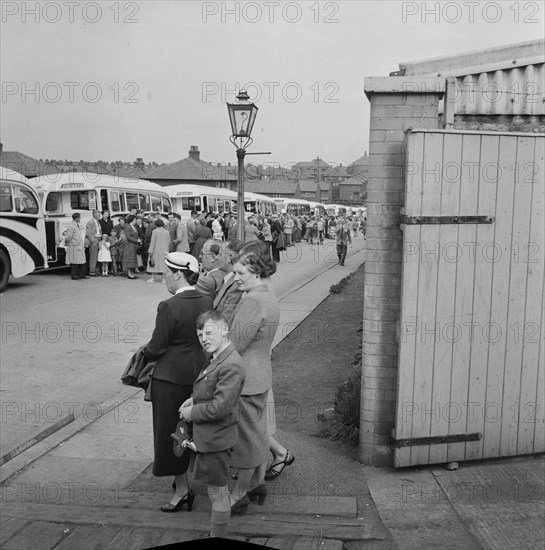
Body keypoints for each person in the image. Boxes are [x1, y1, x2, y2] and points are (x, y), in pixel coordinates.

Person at [143, 252, 211, 513]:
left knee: (171, 433)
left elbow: (157, 347)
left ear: (177, 273)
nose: (164, 279)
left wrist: (143, 353)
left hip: (169, 380)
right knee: (190, 431)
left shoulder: (168, 306)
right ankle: (188, 481)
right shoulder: (206, 301)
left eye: (166, 273)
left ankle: (182, 490)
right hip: (198, 376)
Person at [178, 311, 245, 539]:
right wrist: (194, 399)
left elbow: (220, 408)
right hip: (210, 437)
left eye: (208, 332)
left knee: (218, 493)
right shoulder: (217, 357)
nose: (204, 338)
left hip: (217, 440)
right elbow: (210, 391)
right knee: (215, 490)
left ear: (224, 329)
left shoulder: (231, 363)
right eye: (199, 335)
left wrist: (192, 412)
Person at [227, 249, 280, 515]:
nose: (235, 277)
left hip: (244, 379)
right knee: (257, 435)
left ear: (256, 272)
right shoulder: (267, 296)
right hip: (260, 375)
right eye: (234, 272)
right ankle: (258, 484)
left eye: (240, 273)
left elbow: (234, 344)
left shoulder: (252, 302)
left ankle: (239, 494)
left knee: (245, 442)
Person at [213, 240, 244, 328]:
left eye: (220, 254)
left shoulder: (237, 285)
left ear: (229, 257)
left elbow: (225, 321)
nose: (216, 258)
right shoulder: (227, 279)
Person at [64, 213, 89, 280]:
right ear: (77, 218)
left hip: (79, 246)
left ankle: (81, 274)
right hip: (74, 246)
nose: (80, 219)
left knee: (81, 261)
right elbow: (68, 236)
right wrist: (67, 243)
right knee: (74, 261)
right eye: (79, 217)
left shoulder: (76, 225)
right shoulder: (71, 226)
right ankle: (74, 275)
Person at [147, 218, 170, 283]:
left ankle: (152, 278)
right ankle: (163, 279)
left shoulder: (155, 231)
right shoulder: (167, 232)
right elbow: (168, 241)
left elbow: (152, 242)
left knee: (153, 263)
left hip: (156, 250)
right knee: (163, 264)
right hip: (164, 250)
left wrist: (150, 251)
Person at [123, 214, 141, 279]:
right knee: (129, 259)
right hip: (129, 245)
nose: (136, 220)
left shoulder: (133, 226)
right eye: (135, 219)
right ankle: (129, 274)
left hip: (133, 245)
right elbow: (128, 237)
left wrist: (138, 240)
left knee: (132, 259)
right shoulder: (127, 226)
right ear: (132, 220)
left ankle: (131, 273)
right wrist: (137, 240)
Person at [85, 209, 102, 276]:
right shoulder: (90, 222)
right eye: (98, 215)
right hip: (94, 240)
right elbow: (88, 234)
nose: (99, 216)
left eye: (99, 214)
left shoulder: (97, 222)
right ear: (94, 215)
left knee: (98, 257)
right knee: (93, 257)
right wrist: (94, 241)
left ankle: (96, 270)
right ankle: (92, 272)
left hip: (99, 239)